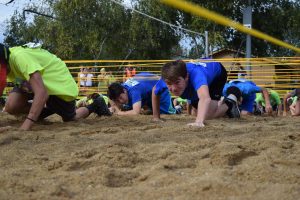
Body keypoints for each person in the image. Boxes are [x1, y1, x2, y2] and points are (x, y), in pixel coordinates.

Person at [0, 43, 111, 131]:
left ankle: (96, 104)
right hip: (40, 83)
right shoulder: (7, 60)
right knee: (11, 106)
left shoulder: (19, 58)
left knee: (71, 118)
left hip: (60, 85)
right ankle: (45, 109)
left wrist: (26, 125)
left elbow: (42, 93)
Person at [158, 60, 240, 127]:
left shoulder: (197, 75)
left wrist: (199, 122)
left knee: (207, 116)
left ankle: (230, 102)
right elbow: (155, 93)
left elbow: (205, 98)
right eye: (169, 84)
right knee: (196, 113)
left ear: (186, 77)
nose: (174, 88)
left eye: (177, 82)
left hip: (217, 75)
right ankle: (220, 107)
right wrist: (156, 117)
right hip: (199, 76)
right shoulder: (168, 77)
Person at [107, 72, 177, 116]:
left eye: (120, 98)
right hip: (148, 88)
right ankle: (150, 108)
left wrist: (119, 112)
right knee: (150, 111)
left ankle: (178, 108)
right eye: (117, 100)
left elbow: (135, 112)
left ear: (124, 91)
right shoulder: (119, 88)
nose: (121, 101)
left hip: (160, 90)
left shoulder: (134, 91)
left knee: (169, 113)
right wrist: (114, 107)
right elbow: (110, 97)